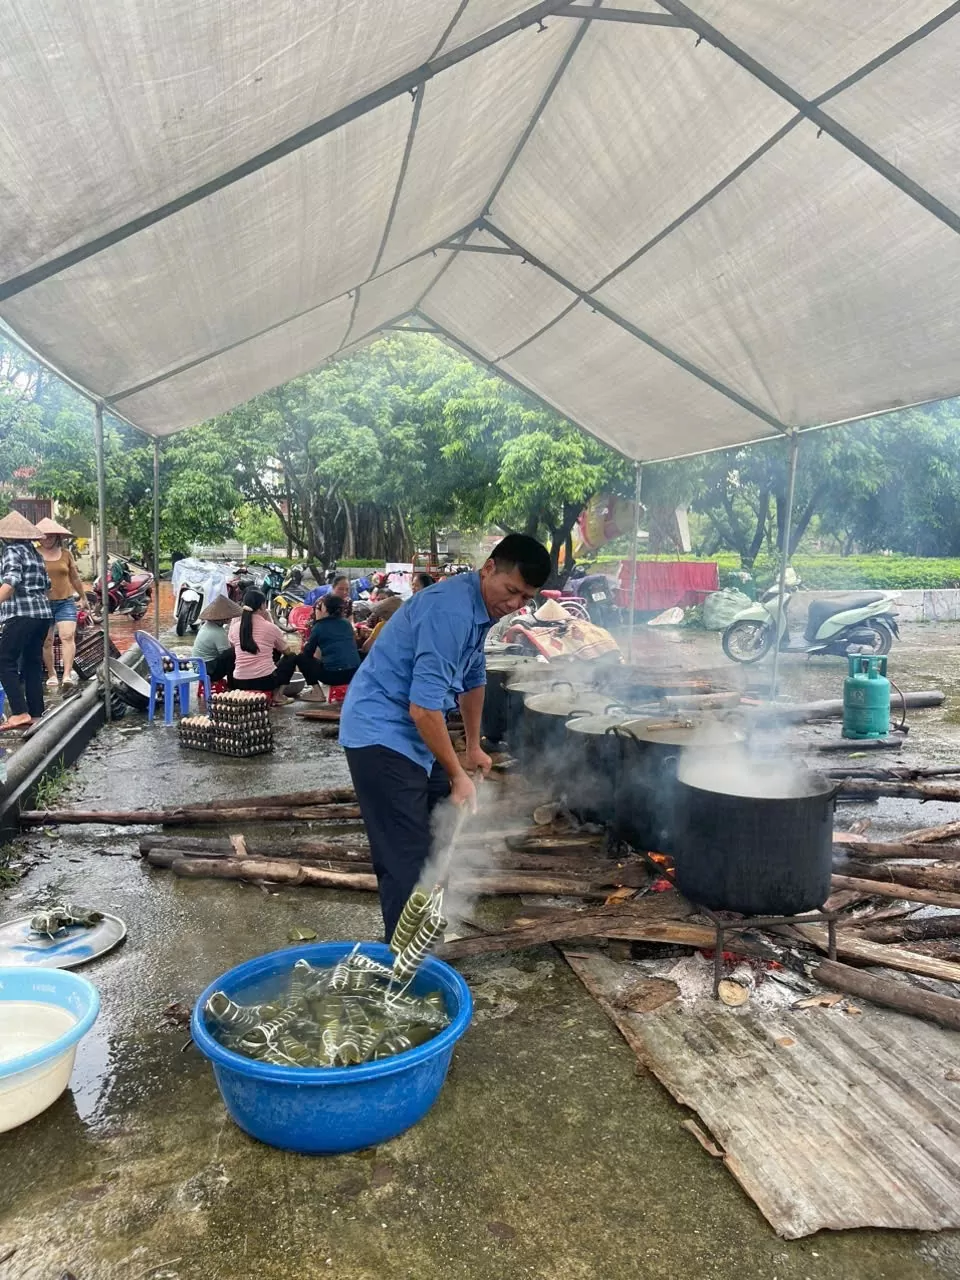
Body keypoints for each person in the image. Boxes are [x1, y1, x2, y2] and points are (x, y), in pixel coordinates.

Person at [340, 533, 551, 939]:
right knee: (405, 855)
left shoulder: (482, 608)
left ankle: (432, 932)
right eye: (510, 591)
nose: (514, 605)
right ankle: (406, 962)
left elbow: (473, 678)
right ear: (489, 568)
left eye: (525, 598)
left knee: (444, 826)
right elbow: (423, 707)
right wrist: (457, 774)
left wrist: (472, 748)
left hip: (413, 733)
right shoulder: (450, 611)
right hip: (380, 730)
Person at [0, 511, 53, 731]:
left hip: (21, 614)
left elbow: (11, 582)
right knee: (32, 662)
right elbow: (47, 585)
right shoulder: (35, 553)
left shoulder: (11, 551)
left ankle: (19, 713)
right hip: (42, 615)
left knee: (4, 661)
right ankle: (36, 713)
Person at [36, 517, 85, 689]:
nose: (47, 538)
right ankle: (51, 674)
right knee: (47, 641)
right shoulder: (34, 555)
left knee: (67, 636)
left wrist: (83, 597)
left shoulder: (66, 554)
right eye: (44, 535)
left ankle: (66, 674)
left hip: (66, 601)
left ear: (57, 536)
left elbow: (75, 578)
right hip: (43, 603)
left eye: (51, 535)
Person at [227, 589, 299, 704]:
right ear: (262, 606)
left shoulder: (235, 627)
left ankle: (232, 690)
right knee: (292, 657)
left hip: (239, 681)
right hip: (264, 681)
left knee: (232, 654)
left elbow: (232, 646)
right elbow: (287, 651)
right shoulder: (271, 628)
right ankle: (278, 696)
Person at [298, 594, 361, 690]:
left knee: (301, 658)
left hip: (333, 676)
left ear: (325, 609)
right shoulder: (346, 623)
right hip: (354, 673)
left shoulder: (319, 627)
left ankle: (317, 693)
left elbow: (308, 652)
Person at [192, 593, 242, 682]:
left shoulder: (207, 625)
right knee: (232, 654)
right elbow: (226, 653)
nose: (231, 618)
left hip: (199, 666)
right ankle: (233, 683)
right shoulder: (218, 632)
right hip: (206, 670)